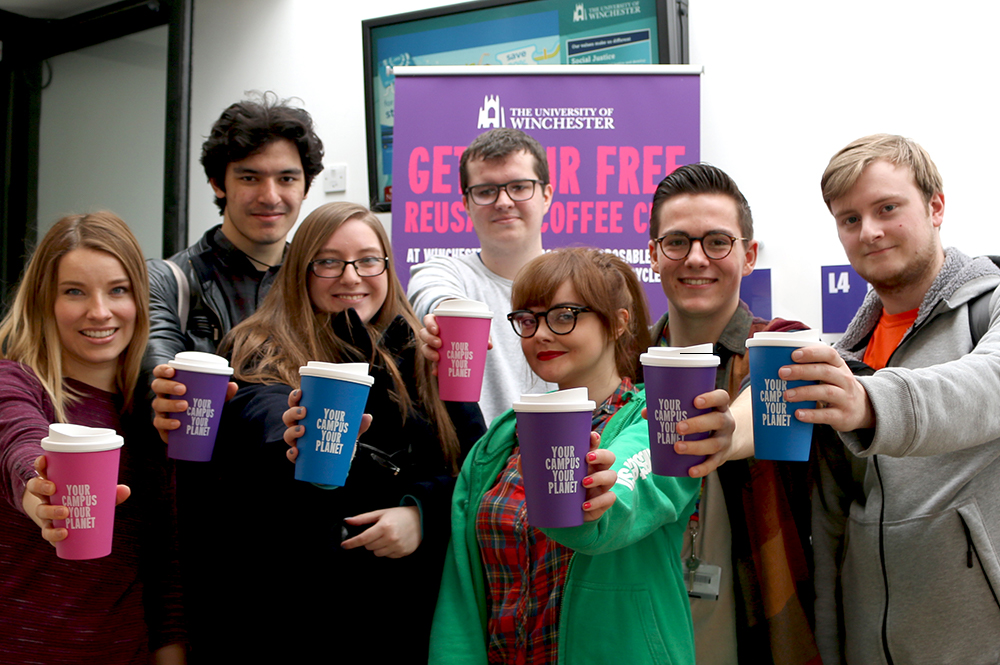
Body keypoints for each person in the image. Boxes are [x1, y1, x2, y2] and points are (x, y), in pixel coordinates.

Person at [184, 202, 486, 662]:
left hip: (406, 622)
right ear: (301, 271)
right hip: (295, 616)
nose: (351, 277)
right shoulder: (259, 349)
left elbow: (477, 474)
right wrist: (292, 432)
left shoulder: (423, 356)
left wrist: (421, 512)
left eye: (368, 260)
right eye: (328, 261)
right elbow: (258, 420)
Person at [430, 247, 735, 665]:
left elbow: (610, 517)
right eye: (527, 319)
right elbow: (461, 594)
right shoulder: (498, 441)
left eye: (563, 315)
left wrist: (593, 501)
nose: (540, 334)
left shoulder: (661, 419)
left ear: (618, 322)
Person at [786, 134, 1000, 664]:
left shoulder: (990, 307)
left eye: (887, 208)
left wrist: (869, 402)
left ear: (935, 206)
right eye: (849, 219)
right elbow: (832, 524)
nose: (870, 232)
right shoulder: (847, 353)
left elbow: (985, 386)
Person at [647, 164, 818, 664]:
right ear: (654, 254)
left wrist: (725, 435)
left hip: (758, 622)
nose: (696, 258)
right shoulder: (626, 362)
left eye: (717, 242)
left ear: (749, 256)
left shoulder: (784, 343)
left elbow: (761, 400)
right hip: (645, 620)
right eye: (677, 242)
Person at [0, 212, 184, 664]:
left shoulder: (151, 412)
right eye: (75, 291)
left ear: (140, 300)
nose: (99, 311)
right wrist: (39, 491)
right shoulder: (14, 383)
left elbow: (164, 573)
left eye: (118, 290)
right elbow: (18, 442)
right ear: (46, 300)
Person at [145, 94, 324, 432]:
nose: (270, 196)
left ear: (305, 186)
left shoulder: (322, 281)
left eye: (286, 179)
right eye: (249, 178)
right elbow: (158, 383)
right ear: (218, 183)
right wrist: (164, 399)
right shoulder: (170, 280)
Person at [409, 127, 555, 425]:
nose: (503, 201)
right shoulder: (445, 272)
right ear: (466, 203)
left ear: (546, 195)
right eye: (486, 191)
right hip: (474, 465)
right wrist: (446, 324)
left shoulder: (581, 283)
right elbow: (431, 295)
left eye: (519, 187)